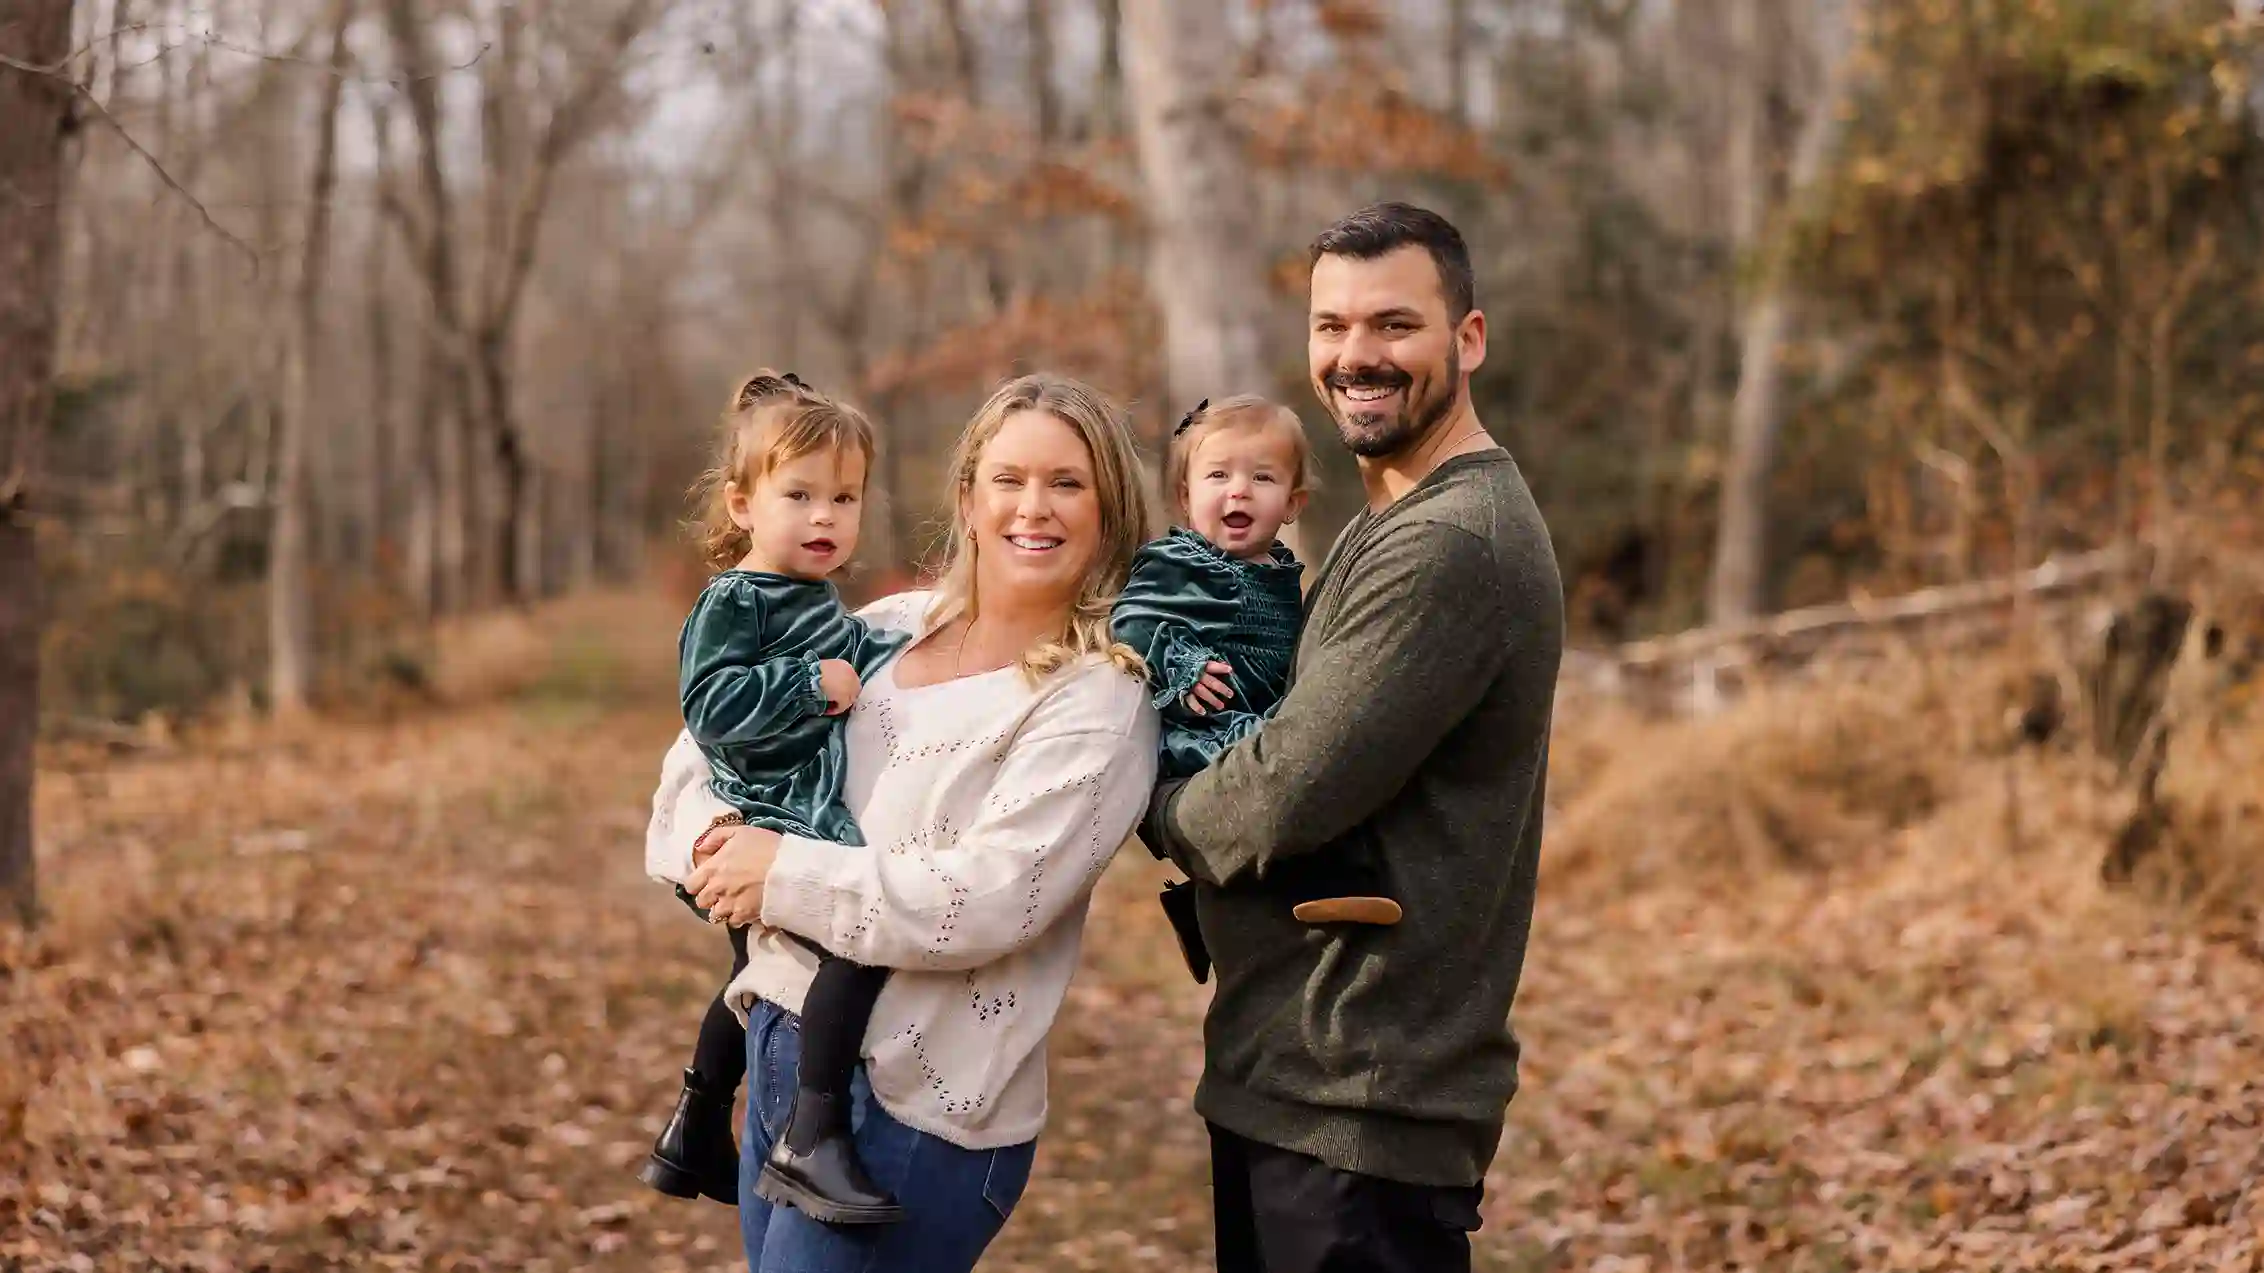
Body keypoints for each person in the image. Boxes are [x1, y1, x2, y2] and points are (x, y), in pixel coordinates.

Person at [648, 372, 1161, 1273]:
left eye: (1067, 482)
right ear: (967, 499)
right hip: (780, 1042)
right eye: (1007, 479)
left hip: (918, 1107)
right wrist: (715, 844)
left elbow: (985, 899)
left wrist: (780, 873)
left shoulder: (1097, 698)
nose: (1032, 507)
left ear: (1109, 508)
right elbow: (702, 753)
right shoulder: (888, 626)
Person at [1141, 202, 1565, 1273]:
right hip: (1299, 1075)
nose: (1353, 357)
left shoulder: (1449, 544)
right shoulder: (1390, 520)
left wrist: (1145, 798)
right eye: (1330, 328)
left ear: (1466, 339)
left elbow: (1275, 794)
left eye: (1391, 325)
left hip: (1360, 1097)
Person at [638, 371, 910, 1223]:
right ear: (743, 503)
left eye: (844, 496)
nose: (825, 515)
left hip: (797, 803)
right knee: (858, 941)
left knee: (749, 976)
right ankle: (811, 1136)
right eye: (799, 495)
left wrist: (883, 649)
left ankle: (693, 1126)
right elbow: (710, 707)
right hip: (768, 814)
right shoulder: (735, 598)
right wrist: (808, 684)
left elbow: (849, 651)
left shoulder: (811, 596)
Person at [1108, 394, 1397, 984]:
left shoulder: (1280, 570)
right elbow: (1132, 623)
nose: (1238, 491)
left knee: (1296, 769)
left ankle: (1214, 912)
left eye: (1261, 478)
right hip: (1199, 730)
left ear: (1292, 503)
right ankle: (1331, 883)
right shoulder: (1182, 562)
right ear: (1187, 497)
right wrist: (1182, 665)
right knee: (1278, 778)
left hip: (1258, 712)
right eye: (1218, 476)